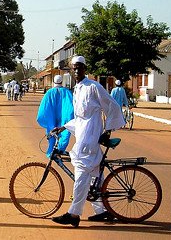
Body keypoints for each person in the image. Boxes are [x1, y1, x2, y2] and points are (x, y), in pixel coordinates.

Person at [52, 56, 125, 227]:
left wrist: (108, 130)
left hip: (90, 138)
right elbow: (79, 117)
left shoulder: (94, 86)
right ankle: (101, 210)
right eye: (74, 68)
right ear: (71, 70)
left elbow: (112, 106)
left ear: (85, 69)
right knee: (94, 174)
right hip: (83, 134)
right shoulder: (76, 89)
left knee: (81, 174)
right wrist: (63, 127)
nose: (77, 71)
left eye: (80, 67)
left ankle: (74, 214)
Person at [37, 75, 74, 158]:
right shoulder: (67, 92)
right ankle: (60, 150)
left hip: (52, 117)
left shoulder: (49, 93)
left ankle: (51, 151)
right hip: (64, 118)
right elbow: (72, 106)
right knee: (65, 133)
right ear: (62, 81)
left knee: (52, 132)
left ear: (54, 81)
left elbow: (44, 107)